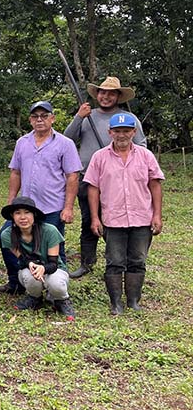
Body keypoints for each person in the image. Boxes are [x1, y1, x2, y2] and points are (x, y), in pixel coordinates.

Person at [0, 100, 81, 295]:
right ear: (30, 120)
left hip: (52, 206)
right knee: (6, 237)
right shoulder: (22, 142)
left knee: (54, 245)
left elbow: (72, 176)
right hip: (25, 207)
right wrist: (11, 200)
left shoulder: (65, 144)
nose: (39, 120)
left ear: (52, 118)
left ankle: (57, 289)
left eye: (44, 116)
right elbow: (15, 172)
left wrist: (68, 207)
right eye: (35, 116)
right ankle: (15, 281)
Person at [64, 77, 147, 279]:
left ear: (118, 96)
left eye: (111, 93)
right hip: (88, 178)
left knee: (117, 222)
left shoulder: (129, 118)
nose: (106, 96)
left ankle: (119, 263)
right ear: (97, 94)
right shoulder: (87, 115)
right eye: (102, 92)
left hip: (118, 180)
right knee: (88, 221)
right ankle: (87, 263)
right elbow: (67, 140)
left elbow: (142, 147)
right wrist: (78, 117)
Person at [84, 113, 164, 315]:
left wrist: (157, 215)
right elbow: (93, 189)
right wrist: (95, 217)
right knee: (114, 262)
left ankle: (133, 301)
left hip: (141, 217)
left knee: (137, 261)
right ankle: (116, 303)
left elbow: (155, 185)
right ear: (110, 132)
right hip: (113, 219)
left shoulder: (146, 156)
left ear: (134, 132)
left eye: (126, 131)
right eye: (117, 131)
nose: (122, 135)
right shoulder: (99, 157)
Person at [0, 197, 75, 321]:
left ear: (34, 215)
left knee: (55, 283)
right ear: (12, 216)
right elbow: (22, 259)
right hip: (30, 267)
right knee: (29, 277)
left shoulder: (50, 230)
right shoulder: (7, 235)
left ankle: (62, 300)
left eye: (27, 212)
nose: (22, 217)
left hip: (54, 268)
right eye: (18, 213)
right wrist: (32, 265)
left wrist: (43, 268)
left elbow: (54, 264)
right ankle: (34, 298)